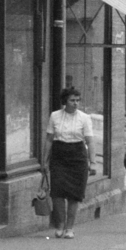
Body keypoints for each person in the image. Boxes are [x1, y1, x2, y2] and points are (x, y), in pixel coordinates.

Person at [41, 86, 94, 239]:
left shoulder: (84, 118)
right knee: (57, 193)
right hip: (59, 155)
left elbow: (90, 141)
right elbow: (49, 139)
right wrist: (45, 160)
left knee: (74, 195)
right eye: (72, 100)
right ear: (65, 101)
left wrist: (93, 162)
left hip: (77, 156)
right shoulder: (55, 116)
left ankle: (70, 228)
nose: (75, 103)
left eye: (78, 100)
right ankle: (59, 225)